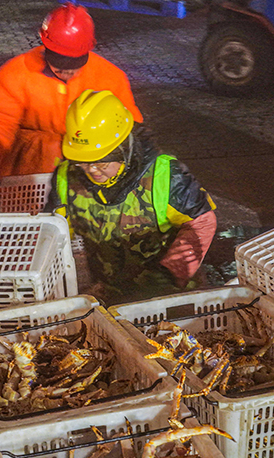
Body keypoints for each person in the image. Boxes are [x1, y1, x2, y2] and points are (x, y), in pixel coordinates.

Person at [47, 90, 217, 304]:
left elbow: (201, 222)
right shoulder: (66, 177)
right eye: (82, 162)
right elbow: (54, 231)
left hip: (172, 293)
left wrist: (171, 273)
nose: (91, 171)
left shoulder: (164, 175)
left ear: (124, 149)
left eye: (101, 162)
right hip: (110, 290)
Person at [0, 2, 142, 181]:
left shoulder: (110, 77)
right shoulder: (15, 74)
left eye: (73, 64)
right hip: (29, 173)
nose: (65, 72)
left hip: (88, 174)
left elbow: (130, 126)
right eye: (58, 62)